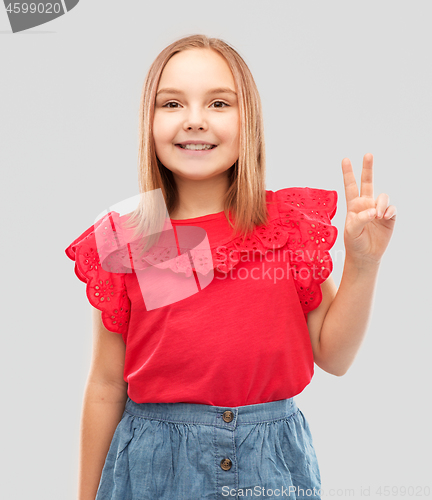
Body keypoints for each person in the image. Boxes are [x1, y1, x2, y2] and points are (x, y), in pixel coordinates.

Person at [65, 34, 397, 500]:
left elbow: (334, 356)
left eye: (219, 103)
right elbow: (105, 384)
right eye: (172, 103)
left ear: (249, 122)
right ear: (149, 120)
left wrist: (364, 264)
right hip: (154, 472)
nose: (195, 120)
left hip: (272, 468)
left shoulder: (286, 228)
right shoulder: (130, 238)